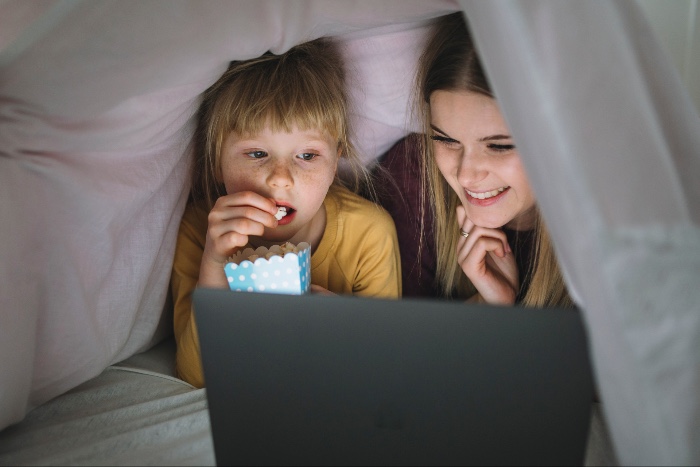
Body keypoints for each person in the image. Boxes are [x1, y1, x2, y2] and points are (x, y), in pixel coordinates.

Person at [171, 38, 402, 388]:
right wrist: (215, 267)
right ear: (217, 161)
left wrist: (344, 328)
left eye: (307, 156)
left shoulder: (369, 233)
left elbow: (385, 365)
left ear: (335, 160)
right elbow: (195, 376)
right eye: (256, 154)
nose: (280, 178)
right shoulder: (201, 232)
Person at [411, 12, 573, 307]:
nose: (465, 176)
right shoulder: (413, 180)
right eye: (446, 140)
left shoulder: (608, 244)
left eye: (499, 146)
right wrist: (488, 305)